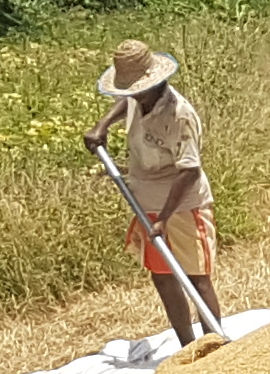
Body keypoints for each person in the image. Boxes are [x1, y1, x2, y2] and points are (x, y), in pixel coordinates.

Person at [83, 39, 221, 350]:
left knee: (196, 277)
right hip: (147, 203)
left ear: (156, 82)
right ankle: (188, 347)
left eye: (136, 89)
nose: (131, 95)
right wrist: (102, 126)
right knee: (163, 276)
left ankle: (214, 347)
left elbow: (189, 171)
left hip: (183, 206)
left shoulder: (179, 115)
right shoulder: (136, 98)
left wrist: (166, 219)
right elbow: (127, 103)